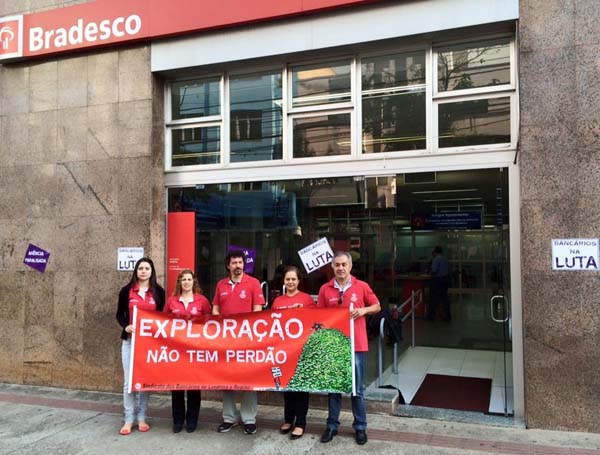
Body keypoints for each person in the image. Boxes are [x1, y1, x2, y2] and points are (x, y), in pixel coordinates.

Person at [317, 251, 380, 446]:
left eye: (344, 264)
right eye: (337, 265)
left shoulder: (362, 286)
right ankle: (332, 426)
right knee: (334, 388)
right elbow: (318, 317)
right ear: (332, 267)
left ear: (350, 266)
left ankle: (360, 427)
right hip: (334, 346)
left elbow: (377, 306)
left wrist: (363, 310)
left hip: (356, 345)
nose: (340, 268)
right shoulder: (325, 289)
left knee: (357, 389)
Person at [212, 251, 265, 435]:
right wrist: (222, 326)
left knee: (248, 379)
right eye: (234, 263)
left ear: (244, 264)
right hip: (226, 340)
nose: (237, 266)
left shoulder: (254, 283)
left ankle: (249, 419)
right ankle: (229, 418)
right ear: (228, 266)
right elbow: (215, 309)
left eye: (240, 262)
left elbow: (257, 310)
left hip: (246, 339)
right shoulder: (221, 284)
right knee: (227, 379)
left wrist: (244, 330)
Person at [115, 257, 165, 435]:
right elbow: (119, 314)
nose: (143, 271)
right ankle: (128, 419)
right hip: (130, 341)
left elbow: (163, 316)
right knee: (129, 382)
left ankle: (142, 416)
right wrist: (125, 325)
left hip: (149, 343)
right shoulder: (126, 291)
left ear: (152, 272)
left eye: (147, 268)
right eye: (141, 268)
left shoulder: (158, 292)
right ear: (136, 271)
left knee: (144, 380)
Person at [163, 269, 211, 434]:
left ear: (193, 282)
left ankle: (192, 421)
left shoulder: (202, 301)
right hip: (176, 351)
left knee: (193, 387)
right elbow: (162, 322)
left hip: (195, 350)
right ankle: (177, 421)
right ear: (179, 282)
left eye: (189, 279)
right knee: (177, 386)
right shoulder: (171, 301)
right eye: (183, 279)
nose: (186, 282)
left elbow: (210, 323)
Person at [271, 266, 315, 440]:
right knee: (287, 385)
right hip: (284, 349)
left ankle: (301, 423)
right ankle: (288, 419)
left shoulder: (306, 299)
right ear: (284, 281)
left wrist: (302, 311)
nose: (290, 282)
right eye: (288, 279)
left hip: (302, 349)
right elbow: (271, 323)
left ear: (298, 281)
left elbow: (314, 321)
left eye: (293, 279)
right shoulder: (278, 301)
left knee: (301, 386)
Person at [426, 246, 451, 321]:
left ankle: (431, 316)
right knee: (444, 299)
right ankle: (447, 316)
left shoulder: (436, 259)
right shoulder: (445, 259)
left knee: (433, 298)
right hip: (445, 280)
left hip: (437, 280)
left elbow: (434, 270)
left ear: (435, 252)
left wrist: (429, 272)